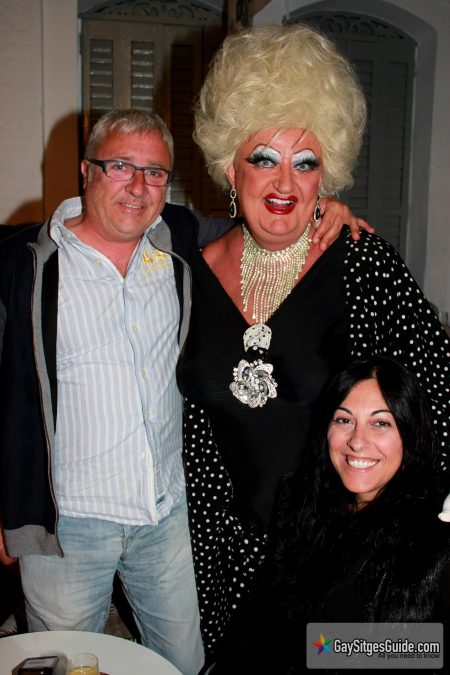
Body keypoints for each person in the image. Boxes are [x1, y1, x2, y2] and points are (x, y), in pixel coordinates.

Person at [0, 108, 364, 673]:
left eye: (155, 173)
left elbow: (265, 220)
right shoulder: (23, 264)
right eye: (121, 166)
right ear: (86, 171)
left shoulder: (181, 241)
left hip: (166, 515)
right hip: (71, 522)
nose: (138, 186)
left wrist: (324, 208)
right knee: (65, 663)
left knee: (183, 663)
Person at [179, 24, 450, 659]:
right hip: (232, 548)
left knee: (344, 656)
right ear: (229, 167)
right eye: (263, 158)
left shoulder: (360, 261)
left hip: (345, 551)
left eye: (306, 163)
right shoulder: (186, 277)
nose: (285, 183)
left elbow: (437, 389)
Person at [210, 357, 450, 674]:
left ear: (410, 433)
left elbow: (429, 649)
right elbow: (263, 611)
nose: (357, 442)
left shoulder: (435, 532)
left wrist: (313, 649)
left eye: (381, 423)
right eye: (344, 420)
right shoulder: (299, 502)